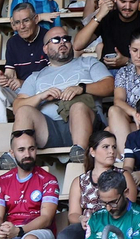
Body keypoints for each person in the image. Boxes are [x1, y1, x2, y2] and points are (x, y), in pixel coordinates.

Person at [10, 24, 112, 162]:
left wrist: (82, 88)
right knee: (24, 112)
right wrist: (41, 96)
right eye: (56, 40)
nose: (62, 42)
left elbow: (110, 85)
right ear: (45, 48)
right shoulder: (36, 76)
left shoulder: (88, 62)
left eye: (66, 39)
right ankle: (17, 159)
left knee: (78, 106)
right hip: (50, 129)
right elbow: (17, 107)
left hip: (87, 124)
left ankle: (80, 155)